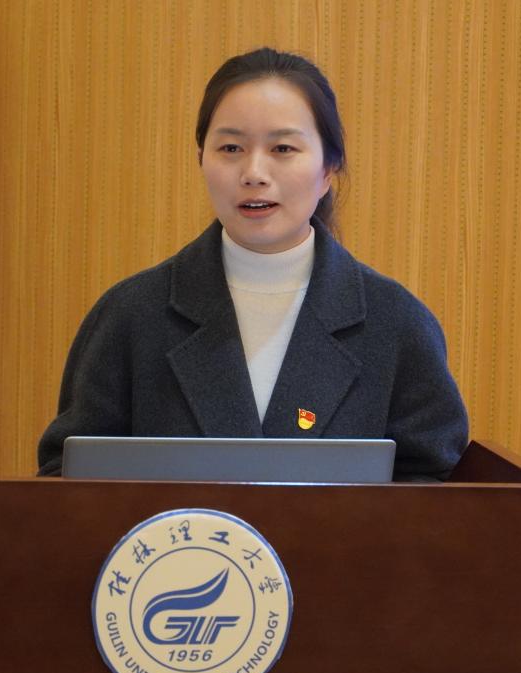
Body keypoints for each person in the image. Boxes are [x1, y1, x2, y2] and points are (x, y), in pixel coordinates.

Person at [37, 47, 468, 481]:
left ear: (328, 168)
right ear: (201, 158)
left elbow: (436, 488)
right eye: (231, 148)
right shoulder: (131, 315)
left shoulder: (396, 323)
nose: (254, 172)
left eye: (283, 148)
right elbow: (67, 479)